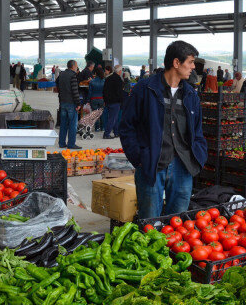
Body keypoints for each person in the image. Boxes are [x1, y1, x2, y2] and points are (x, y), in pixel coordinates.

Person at [119, 40, 207, 219]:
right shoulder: (145, 89)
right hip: (152, 164)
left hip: (183, 166)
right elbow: (127, 126)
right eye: (190, 62)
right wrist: (139, 157)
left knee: (178, 224)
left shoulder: (190, 94)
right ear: (176, 63)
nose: (193, 67)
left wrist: (198, 155)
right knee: (150, 220)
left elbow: (197, 130)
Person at [56, 60, 81, 149]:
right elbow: (75, 90)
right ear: (73, 66)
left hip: (63, 102)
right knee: (72, 124)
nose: (77, 67)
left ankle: (61, 143)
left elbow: (57, 85)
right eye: (76, 65)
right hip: (71, 103)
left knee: (63, 124)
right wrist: (78, 103)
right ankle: (71, 144)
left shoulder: (61, 74)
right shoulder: (73, 75)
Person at [102, 65, 124, 139]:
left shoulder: (108, 78)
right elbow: (119, 92)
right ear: (120, 71)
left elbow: (104, 90)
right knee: (113, 118)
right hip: (115, 102)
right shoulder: (119, 80)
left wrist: (105, 100)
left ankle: (116, 132)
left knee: (114, 117)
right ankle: (106, 133)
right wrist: (122, 101)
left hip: (108, 101)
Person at [88, 67, 105, 132]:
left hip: (93, 99)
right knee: (102, 113)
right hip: (101, 98)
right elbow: (105, 92)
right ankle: (103, 127)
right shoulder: (104, 81)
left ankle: (97, 128)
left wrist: (88, 100)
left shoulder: (92, 81)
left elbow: (90, 92)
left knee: (95, 114)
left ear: (95, 73)